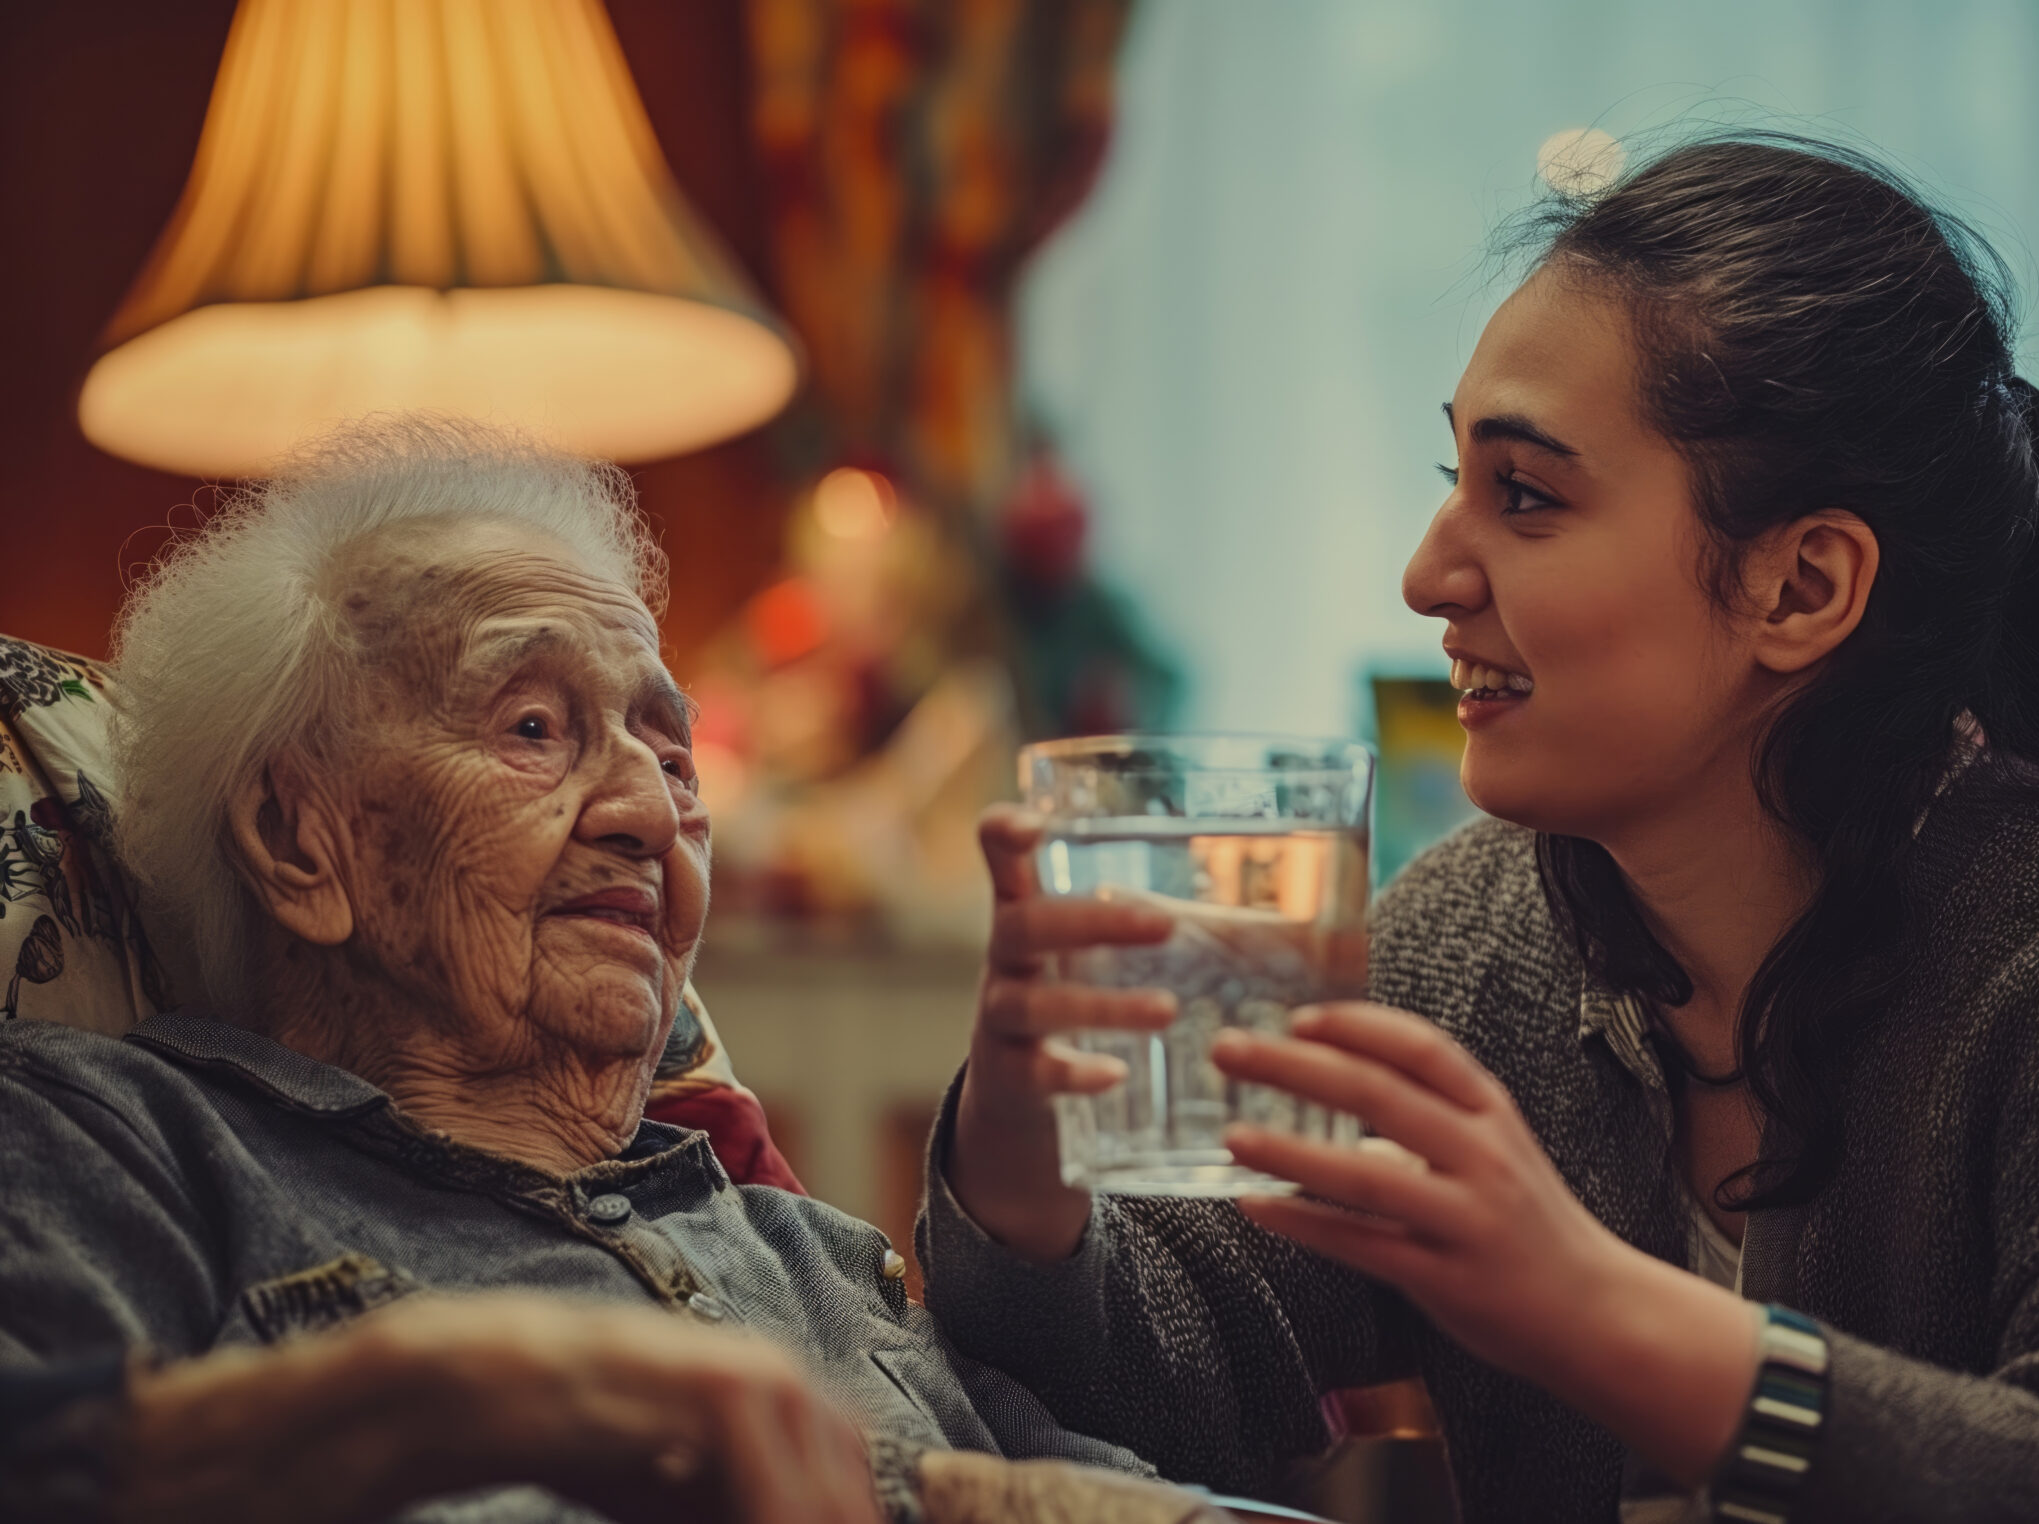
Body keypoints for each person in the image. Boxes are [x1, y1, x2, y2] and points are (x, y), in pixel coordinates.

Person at [918, 134, 2039, 1524]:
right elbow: (1154, 1395)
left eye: (1525, 496)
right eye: (1455, 479)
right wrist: (1020, 1171)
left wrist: (1587, 1305)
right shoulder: (1472, 943)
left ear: (1802, 588)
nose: (1427, 573)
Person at [0, 416, 1181, 1524]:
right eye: (530, 729)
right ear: (296, 838)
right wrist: (440, 1396)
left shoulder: (801, 1255)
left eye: (675, 762)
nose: (646, 813)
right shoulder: (114, 1145)